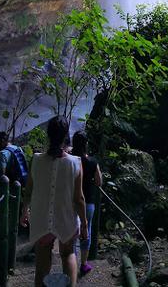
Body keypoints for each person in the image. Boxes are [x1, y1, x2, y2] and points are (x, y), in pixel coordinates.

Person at [21, 116, 88, 287]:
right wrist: (85, 224)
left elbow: (28, 191)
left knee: (42, 261)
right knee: (68, 254)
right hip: (66, 219)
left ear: (48, 135)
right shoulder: (75, 163)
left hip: (41, 219)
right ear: (66, 135)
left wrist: (24, 211)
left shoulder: (36, 160)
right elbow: (79, 198)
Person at [71, 130, 102, 277]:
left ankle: (72, 262)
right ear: (86, 144)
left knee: (72, 232)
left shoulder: (69, 159)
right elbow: (99, 181)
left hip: (71, 201)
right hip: (88, 201)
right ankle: (83, 264)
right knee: (86, 231)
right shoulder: (92, 161)